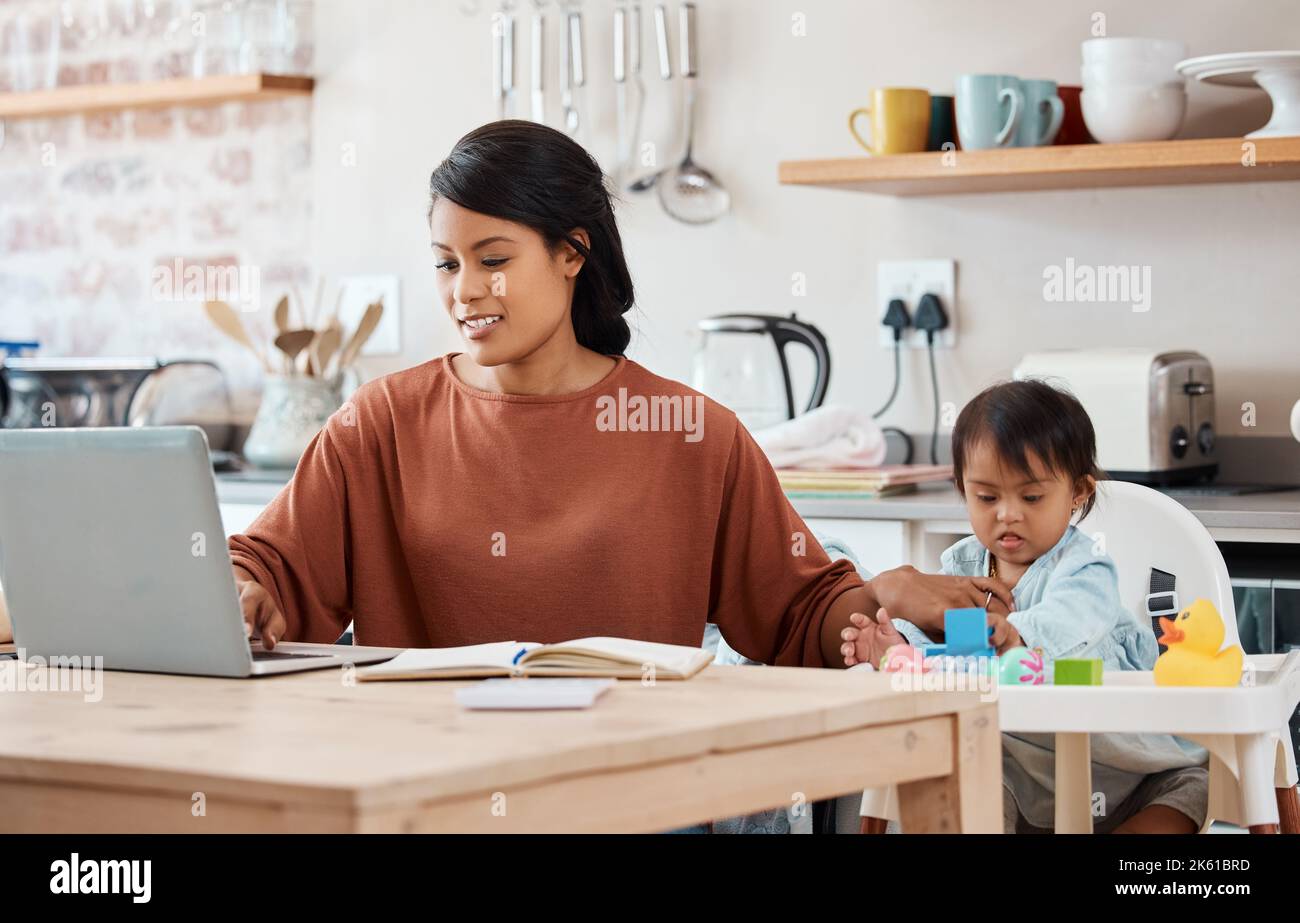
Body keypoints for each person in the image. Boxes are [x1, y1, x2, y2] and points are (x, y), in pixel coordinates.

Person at [226, 119, 1014, 683]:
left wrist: (880, 600)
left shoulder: (691, 434)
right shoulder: (380, 422)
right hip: (424, 798)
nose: (465, 291)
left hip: (636, 796)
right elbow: (267, 568)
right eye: (444, 262)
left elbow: (797, 614)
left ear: (572, 252)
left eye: (492, 259)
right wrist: (242, 593)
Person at [841, 380, 1208, 833]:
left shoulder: (1085, 568)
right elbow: (937, 633)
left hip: (1125, 765)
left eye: (1031, 497)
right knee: (961, 790)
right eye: (987, 497)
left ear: (1078, 493)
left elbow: (1070, 621)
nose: (1007, 514)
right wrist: (898, 645)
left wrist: (1016, 635)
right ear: (962, 489)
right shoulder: (959, 567)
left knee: (1190, 790)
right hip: (1015, 766)